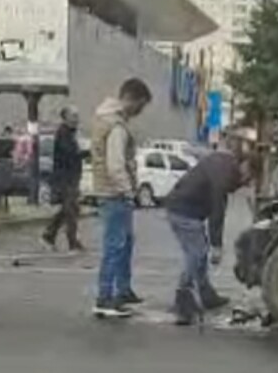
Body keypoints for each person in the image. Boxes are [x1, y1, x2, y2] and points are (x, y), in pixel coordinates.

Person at [164, 139, 246, 325]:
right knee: (197, 253)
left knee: (199, 252)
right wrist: (217, 245)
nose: (246, 182)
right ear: (245, 164)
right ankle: (183, 299)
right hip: (183, 210)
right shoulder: (223, 173)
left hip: (182, 206)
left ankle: (205, 293)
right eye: (248, 177)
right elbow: (218, 210)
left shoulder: (224, 164)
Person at [90, 79, 151, 318]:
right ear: (131, 99)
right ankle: (105, 298)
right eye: (141, 106)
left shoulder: (105, 120)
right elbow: (116, 165)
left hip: (109, 191)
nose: (140, 112)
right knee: (115, 246)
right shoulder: (116, 126)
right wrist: (128, 191)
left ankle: (122, 291)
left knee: (123, 243)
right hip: (114, 194)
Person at [43, 106, 86, 251]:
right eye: (73, 116)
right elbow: (69, 154)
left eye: (77, 116)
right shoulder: (63, 133)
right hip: (64, 178)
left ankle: (49, 234)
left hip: (72, 177)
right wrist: (84, 152)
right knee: (71, 209)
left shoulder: (72, 134)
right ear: (65, 118)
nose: (76, 119)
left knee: (70, 209)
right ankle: (73, 242)